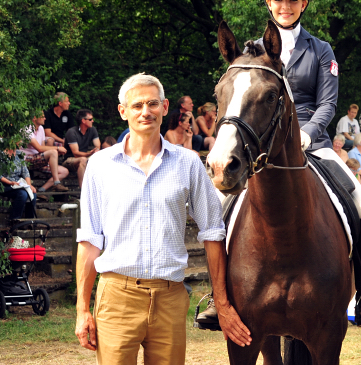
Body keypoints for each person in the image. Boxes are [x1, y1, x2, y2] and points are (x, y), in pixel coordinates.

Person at [198, 0, 361, 327]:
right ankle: (214, 293)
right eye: (279, 0)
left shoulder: (321, 50)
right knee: (217, 207)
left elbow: (329, 103)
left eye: (293, 1)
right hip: (263, 142)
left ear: (304, 4)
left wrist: (309, 132)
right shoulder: (253, 51)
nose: (285, 6)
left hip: (311, 143)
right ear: (269, 3)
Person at [74, 73, 251, 364]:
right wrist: (82, 309)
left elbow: (213, 232)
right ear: (123, 111)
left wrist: (221, 302)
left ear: (165, 107)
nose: (146, 112)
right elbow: (90, 240)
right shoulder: (100, 166)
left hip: (169, 298)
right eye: (137, 105)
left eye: (153, 103)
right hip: (117, 297)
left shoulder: (189, 163)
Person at [22, 114, 70, 193]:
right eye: (42, 116)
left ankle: (41, 189)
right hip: (27, 159)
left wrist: (56, 154)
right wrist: (57, 148)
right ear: (34, 117)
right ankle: (57, 183)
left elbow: (43, 148)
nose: (45, 118)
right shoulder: (26, 129)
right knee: (53, 152)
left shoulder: (41, 128)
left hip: (38, 159)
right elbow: (39, 148)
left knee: (64, 171)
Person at [63, 109, 100, 188]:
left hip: (84, 158)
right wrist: (89, 154)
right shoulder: (72, 132)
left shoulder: (92, 129)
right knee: (83, 160)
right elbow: (75, 153)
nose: (92, 121)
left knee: (99, 158)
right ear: (83, 120)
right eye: (90, 119)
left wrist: (95, 151)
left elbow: (97, 146)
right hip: (69, 160)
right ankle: (83, 192)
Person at [0, 150, 38, 222]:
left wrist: (29, 185)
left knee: (32, 194)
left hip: (17, 183)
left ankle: (29, 221)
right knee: (22, 194)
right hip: (4, 184)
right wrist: (10, 182)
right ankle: (15, 219)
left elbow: (25, 172)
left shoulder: (19, 154)